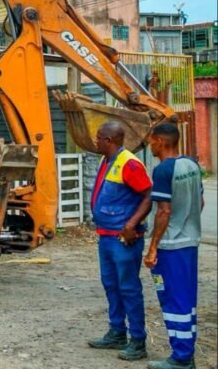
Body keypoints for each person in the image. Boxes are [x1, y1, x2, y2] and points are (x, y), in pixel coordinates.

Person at [87, 121, 153, 361]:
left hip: (123, 239)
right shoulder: (108, 161)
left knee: (129, 288)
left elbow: (148, 196)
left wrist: (131, 225)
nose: (95, 141)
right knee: (111, 285)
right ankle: (117, 332)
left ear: (109, 141)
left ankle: (138, 340)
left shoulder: (130, 164)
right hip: (106, 236)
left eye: (98, 138)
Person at [144, 123, 204, 369]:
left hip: (171, 245)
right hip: (190, 242)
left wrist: (153, 247)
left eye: (151, 141)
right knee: (186, 298)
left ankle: (180, 358)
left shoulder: (163, 170)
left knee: (172, 298)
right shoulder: (192, 164)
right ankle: (186, 351)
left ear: (159, 141)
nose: (150, 145)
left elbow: (163, 212)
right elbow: (199, 202)